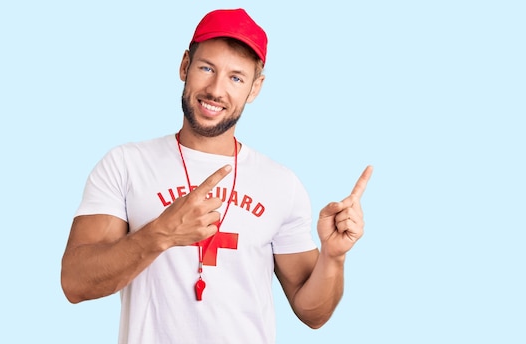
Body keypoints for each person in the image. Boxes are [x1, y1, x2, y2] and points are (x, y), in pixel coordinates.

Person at [61, 8, 373, 344]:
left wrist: (334, 256)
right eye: (206, 68)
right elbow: (75, 283)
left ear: (255, 89)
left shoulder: (281, 183)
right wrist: (159, 234)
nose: (215, 89)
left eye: (236, 77)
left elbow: (313, 314)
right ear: (184, 66)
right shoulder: (125, 164)